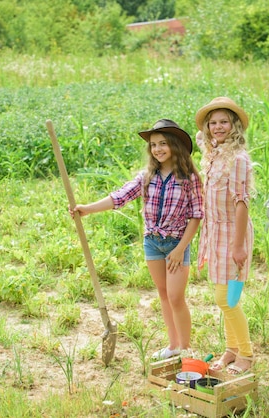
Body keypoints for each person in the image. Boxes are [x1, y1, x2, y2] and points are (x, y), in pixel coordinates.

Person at [69, 119, 204, 360]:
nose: (157, 149)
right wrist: (87, 209)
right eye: (153, 145)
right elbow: (120, 197)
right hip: (152, 242)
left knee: (176, 296)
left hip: (175, 243)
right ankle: (173, 345)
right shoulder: (147, 176)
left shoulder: (189, 177)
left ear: (175, 145)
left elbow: (196, 215)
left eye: (163, 143)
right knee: (163, 294)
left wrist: (181, 248)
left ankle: (186, 349)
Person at [195, 97, 255, 375]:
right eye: (214, 122)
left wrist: (238, 245)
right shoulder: (214, 155)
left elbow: (242, 202)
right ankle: (231, 349)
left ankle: (247, 354)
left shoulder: (239, 159)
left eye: (224, 122)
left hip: (233, 232)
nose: (218, 127)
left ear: (234, 126)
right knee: (225, 296)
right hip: (215, 232)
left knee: (227, 298)